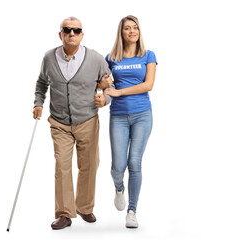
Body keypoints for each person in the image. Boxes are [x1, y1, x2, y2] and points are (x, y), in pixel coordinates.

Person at [33, 16, 113, 230]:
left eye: (76, 30)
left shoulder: (96, 59)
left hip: (87, 120)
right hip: (59, 122)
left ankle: (85, 207)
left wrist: (105, 98)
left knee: (89, 165)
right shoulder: (49, 58)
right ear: (60, 34)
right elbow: (42, 82)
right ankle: (64, 213)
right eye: (67, 30)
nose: (71, 33)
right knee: (62, 165)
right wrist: (38, 103)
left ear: (82, 35)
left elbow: (109, 85)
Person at [104, 15, 157, 228]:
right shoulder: (110, 58)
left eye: (135, 28)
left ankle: (132, 211)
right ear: (122, 32)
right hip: (118, 116)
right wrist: (106, 90)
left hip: (142, 114)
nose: (132, 31)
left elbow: (148, 85)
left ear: (139, 31)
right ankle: (119, 188)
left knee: (134, 162)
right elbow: (104, 85)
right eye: (127, 28)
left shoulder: (148, 55)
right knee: (118, 166)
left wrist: (120, 91)